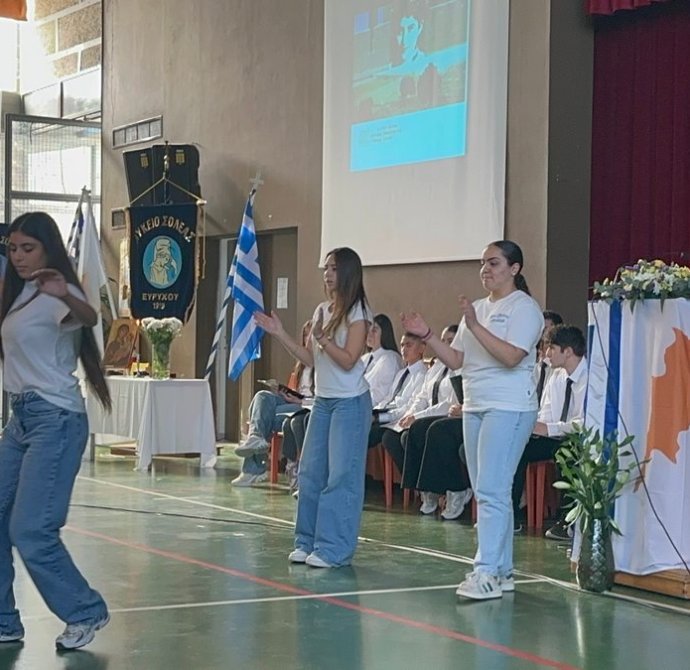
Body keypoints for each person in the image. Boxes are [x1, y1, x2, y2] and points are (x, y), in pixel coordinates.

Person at [402, 240, 543, 600]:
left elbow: (512, 357)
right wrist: (427, 335)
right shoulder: (478, 309)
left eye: (493, 263)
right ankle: (502, 571)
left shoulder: (525, 309)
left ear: (514, 269)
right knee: (486, 490)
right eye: (483, 263)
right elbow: (457, 360)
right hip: (475, 405)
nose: (485, 269)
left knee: (493, 489)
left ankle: (486, 571)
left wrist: (476, 325)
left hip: (509, 406)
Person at [0, 212, 112, 649]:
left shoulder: (58, 292)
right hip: (21, 419)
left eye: (28, 248)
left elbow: (88, 317)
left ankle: (85, 610)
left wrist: (65, 291)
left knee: (31, 530)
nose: (19, 256)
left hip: (56, 419)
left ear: (48, 248)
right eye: (13, 248)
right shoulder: (20, 294)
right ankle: (5, 621)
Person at [255, 247, 372, 568]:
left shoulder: (359, 311)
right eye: (326, 268)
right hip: (323, 401)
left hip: (350, 403)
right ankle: (306, 541)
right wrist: (280, 333)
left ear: (347, 272)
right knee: (310, 472)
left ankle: (334, 549)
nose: (327, 274)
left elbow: (349, 360)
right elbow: (310, 359)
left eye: (333, 268)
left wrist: (324, 339)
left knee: (341, 476)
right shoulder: (322, 310)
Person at [512, 325, 587, 540]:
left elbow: (588, 423)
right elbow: (546, 412)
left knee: (569, 451)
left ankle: (568, 520)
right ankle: (510, 513)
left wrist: (551, 428)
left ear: (568, 351)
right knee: (517, 445)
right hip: (553, 436)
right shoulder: (556, 376)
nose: (547, 353)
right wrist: (534, 426)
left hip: (578, 438)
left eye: (552, 348)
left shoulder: (592, 377)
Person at [231, 320, 314, 487]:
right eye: (305, 335)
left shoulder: (323, 364)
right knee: (262, 396)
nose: (308, 339)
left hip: (307, 406)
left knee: (266, 417)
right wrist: (284, 392)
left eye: (310, 335)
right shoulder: (301, 366)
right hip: (293, 401)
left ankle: (253, 468)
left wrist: (301, 400)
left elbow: (323, 398)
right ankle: (255, 438)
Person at [362, 313, 403, 407]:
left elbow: (380, 394)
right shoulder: (365, 358)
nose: (369, 334)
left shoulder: (390, 359)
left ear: (384, 333)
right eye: (368, 329)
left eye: (374, 330)